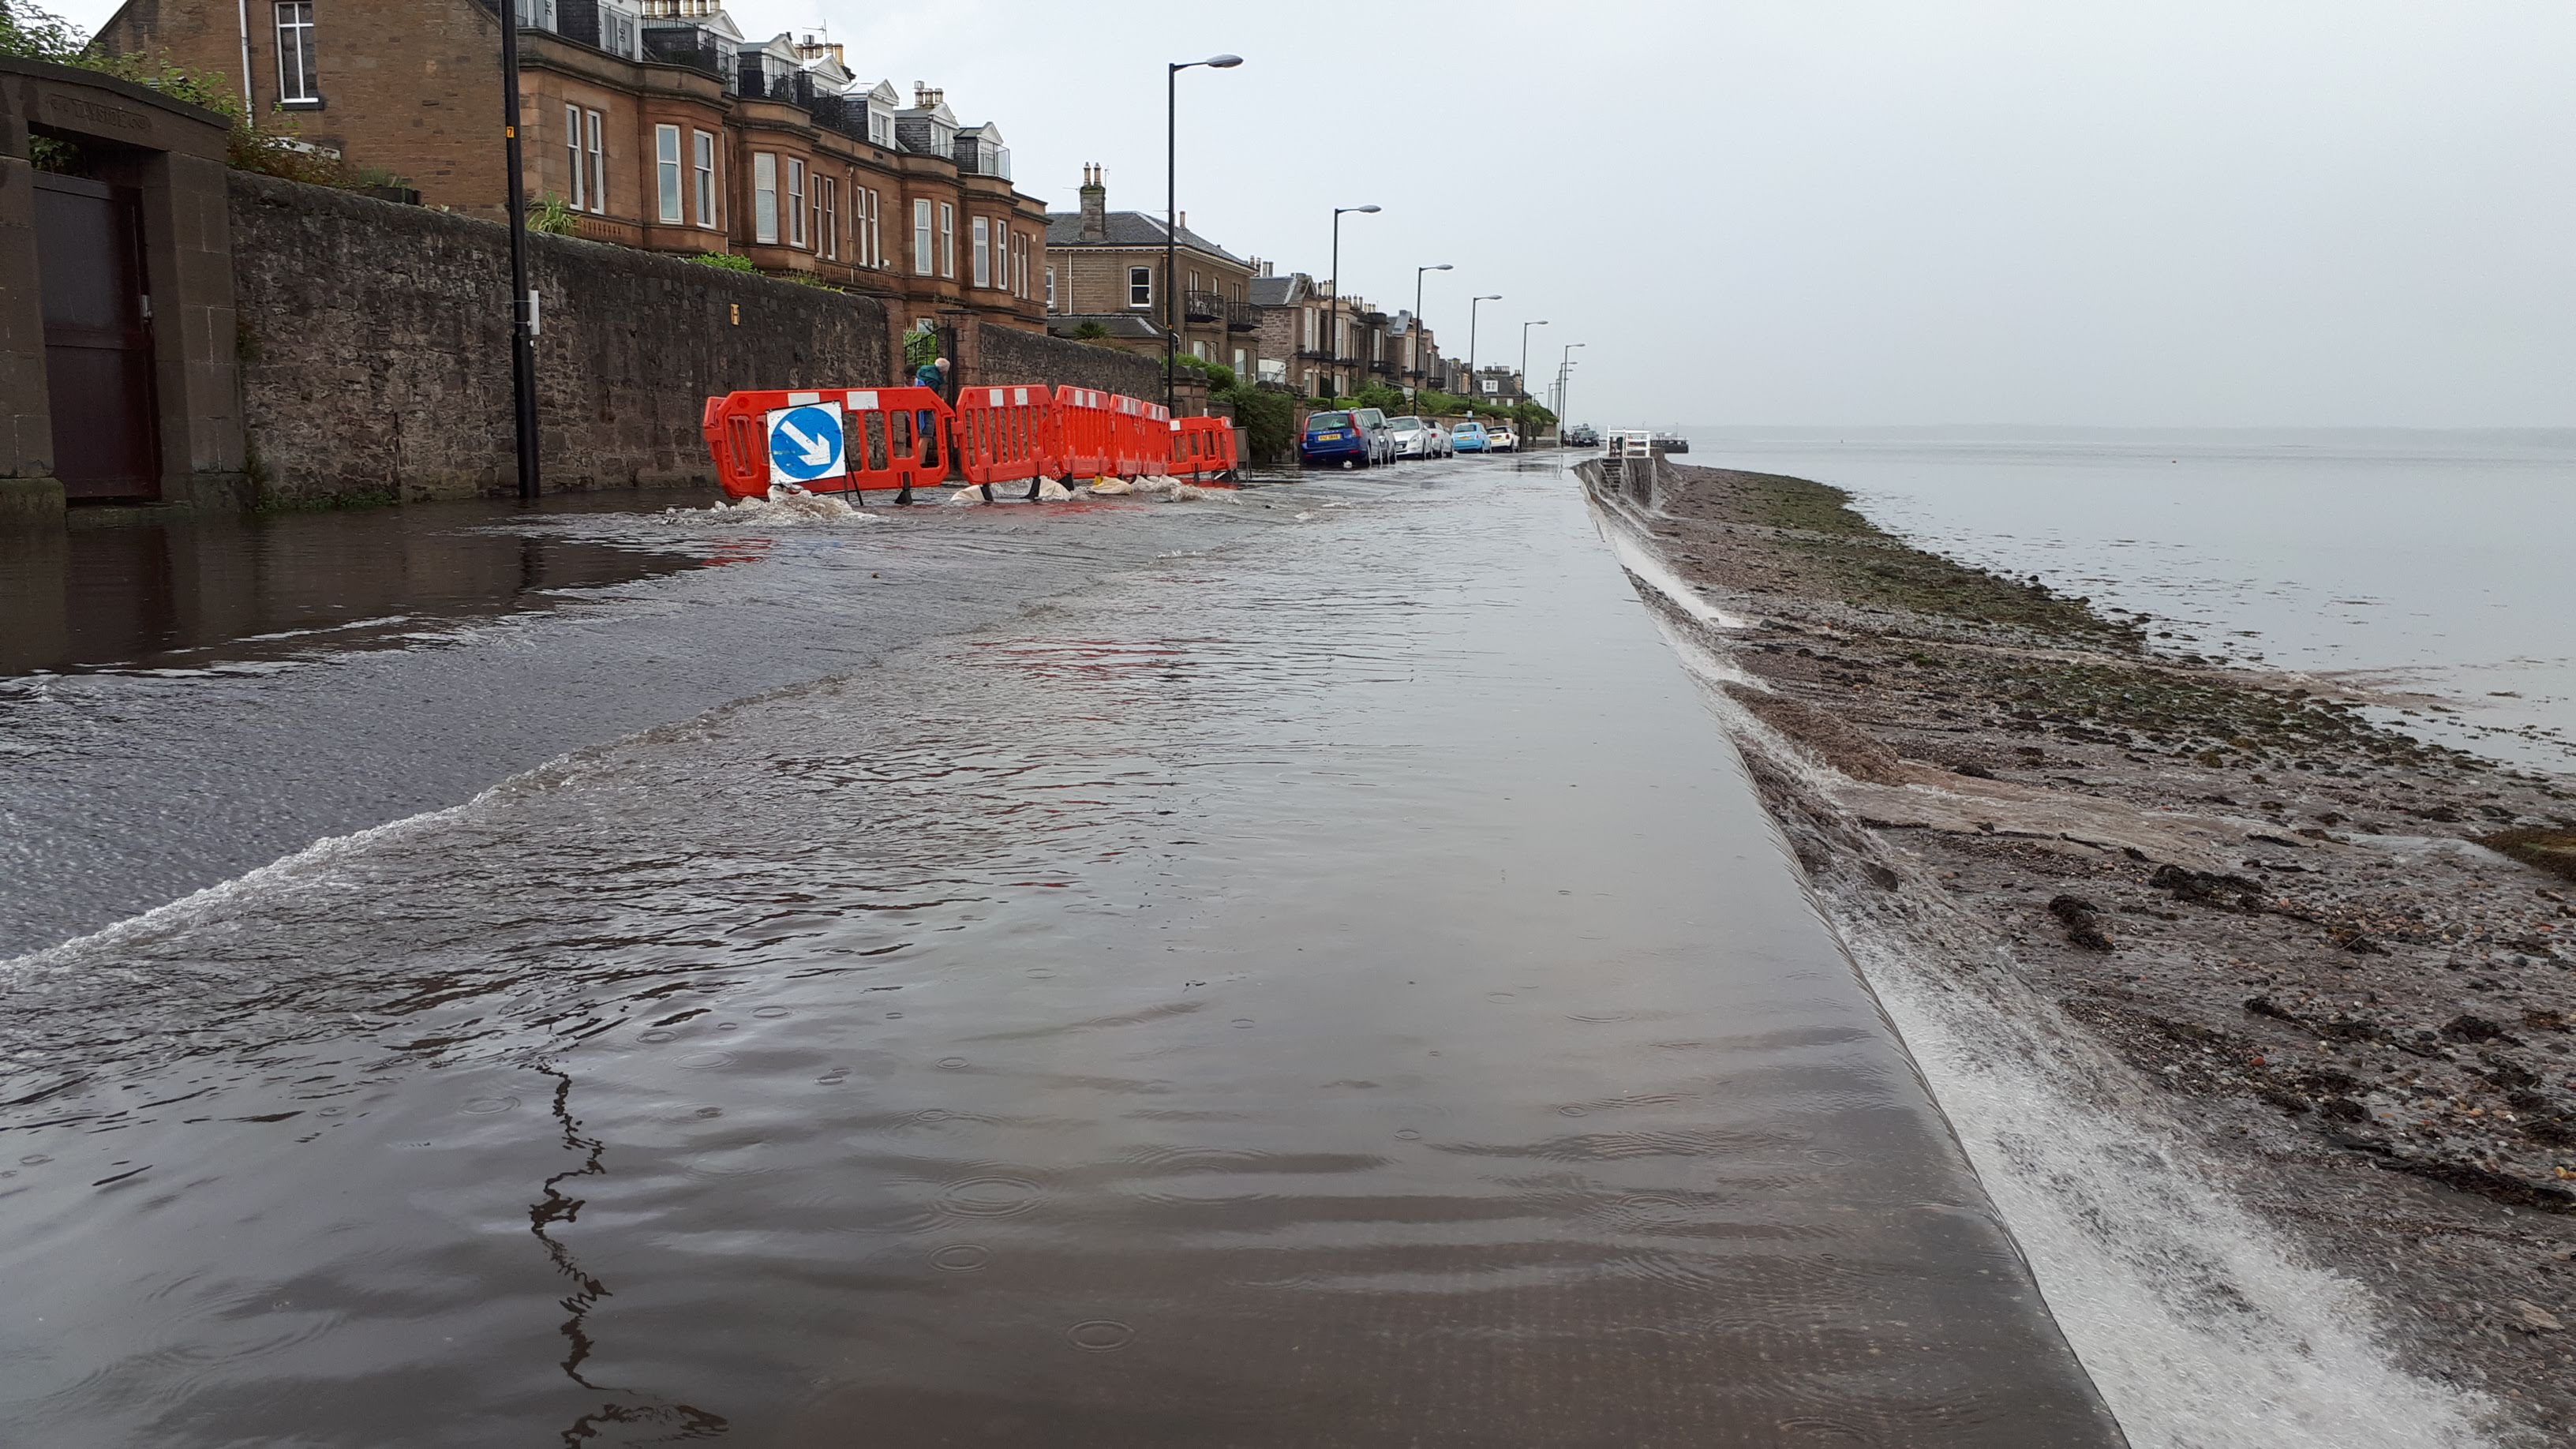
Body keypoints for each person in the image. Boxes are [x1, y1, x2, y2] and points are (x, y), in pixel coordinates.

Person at [912, 355, 949, 466]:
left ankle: (915, 460)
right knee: (926, 435)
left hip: (914, 408)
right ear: (944, 371)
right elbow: (930, 396)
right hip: (926, 409)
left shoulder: (923, 372)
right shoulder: (934, 380)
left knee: (917, 435)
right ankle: (920, 462)